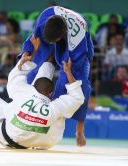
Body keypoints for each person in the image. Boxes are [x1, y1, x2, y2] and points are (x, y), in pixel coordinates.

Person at [0, 35, 84, 149]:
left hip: (6, 137)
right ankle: (39, 144)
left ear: (33, 87)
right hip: (43, 141)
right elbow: (77, 98)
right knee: (60, 115)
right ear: (51, 94)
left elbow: (18, 72)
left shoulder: (23, 91)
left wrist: (35, 52)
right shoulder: (55, 106)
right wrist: (67, 71)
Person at [18, 6, 94, 146]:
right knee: (32, 71)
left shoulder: (77, 41)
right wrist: (26, 52)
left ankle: (79, 129)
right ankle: (28, 113)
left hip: (80, 39)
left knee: (81, 84)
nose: (53, 44)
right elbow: (34, 39)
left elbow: (68, 76)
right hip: (56, 27)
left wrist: (54, 101)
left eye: (55, 41)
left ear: (63, 35)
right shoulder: (44, 18)